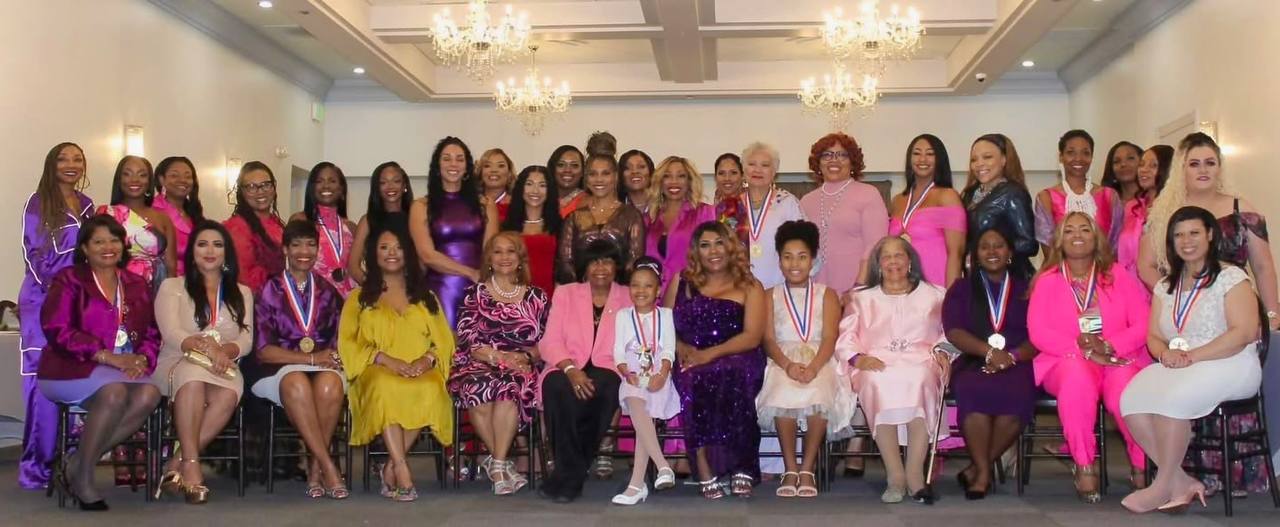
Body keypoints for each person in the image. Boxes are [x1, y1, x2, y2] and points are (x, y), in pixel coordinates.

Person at [1138, 132, 1280, 495]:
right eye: (1194, 163)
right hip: (1185, 324)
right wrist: (1174, 299)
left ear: (1220, 166)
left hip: (1235, 319)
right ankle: (1184, 474)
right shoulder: (1163, 213)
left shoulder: (1240, 208)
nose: (1203, 170)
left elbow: (1262, 267)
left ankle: (1238, 474)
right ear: (1181, 169)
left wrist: (1273, 311)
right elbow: (1146, 266)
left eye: (1210, 162)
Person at [1119, 206, 1262, 513]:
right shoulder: (1165, 285)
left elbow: (1244, 332)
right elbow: (1153, 336)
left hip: (1230, 361)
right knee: (1131, 398)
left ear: (1210, 235)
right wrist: (1164, 353)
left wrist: (1192, 356)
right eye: (1179, 235)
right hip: (1181, 363)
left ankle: (1161, 486)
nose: (1186, 241)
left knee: (1172, 400)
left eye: (1194, 232)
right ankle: (1182, 483)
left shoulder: (1231, 277)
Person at [38, 215, 161, 510]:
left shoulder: (135, 283)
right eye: (99, 241)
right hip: (69, 367)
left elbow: (153, 332)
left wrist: (142, 358)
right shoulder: (69, 279)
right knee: (115, 393)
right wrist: (106, 356)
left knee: (150, 394)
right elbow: (57, 329)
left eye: (114, 240)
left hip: (121, 367)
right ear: (85, 248)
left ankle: (78, 462)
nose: (108, 247)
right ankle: (84, 479)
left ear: (123, 244)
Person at [1027, 212, 1150, 502]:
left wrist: (1108, 346)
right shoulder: (1047, 281)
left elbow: (1143, 323)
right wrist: (1082, 349)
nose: (1077, 234)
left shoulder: (1118, 275)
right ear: (1059, 240)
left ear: (1097, 238)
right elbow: (1038, 332)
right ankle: (1084, 464)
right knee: (1076, 380)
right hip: (1066, 358)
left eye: (1085, 229)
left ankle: (1141, 464)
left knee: (1124, 391)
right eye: (1069, 230)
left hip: (1117, 357)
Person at [338, 226, 455, 502]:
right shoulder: (359, 298)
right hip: (375, 367)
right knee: (386, 386)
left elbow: (444, 340)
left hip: (420, 367)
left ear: (408, 254)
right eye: (384, 247)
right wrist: (385, 359)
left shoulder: (426, 297)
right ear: (373, 254)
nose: (392, 253)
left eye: (398, 247)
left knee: (431, 389)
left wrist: (426, 361)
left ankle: (390, 465)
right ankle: (401, 468)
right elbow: (348, 342)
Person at [836, 236, 949, 505]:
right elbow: (846, 336)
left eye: (899, 255)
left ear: (910, 260)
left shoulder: (935, 294)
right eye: (886, 256)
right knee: (877, 382)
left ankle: (915, 476)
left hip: (921, 359)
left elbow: (947, 332)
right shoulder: (862, 298)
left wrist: (943, 351)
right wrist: (857, 359)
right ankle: (895, 476)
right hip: (876, 360)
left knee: (920, 380)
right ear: (878, 264)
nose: (893, 261)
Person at [242, 219, 348, 499]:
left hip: (321, 366)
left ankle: (314, 469)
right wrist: (312, 358)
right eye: (297, 244)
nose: (304, 250)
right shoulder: (268, 290)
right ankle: (328, 465)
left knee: (330, 386)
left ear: (318, 250)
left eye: (311, 244)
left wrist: (329, 358)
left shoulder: (327, 292)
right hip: (277, 369)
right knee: (297, 382)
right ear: (285, 249)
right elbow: (264, 350)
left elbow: (339, 343)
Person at [152, 221, 255, 504]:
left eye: (217, 245)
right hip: (179, 360)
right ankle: (193, 467)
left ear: (226, 253)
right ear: (192, 251)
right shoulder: (173, 286)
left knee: (229, 391)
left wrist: (225, 352)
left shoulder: (242, 292)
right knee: (193, 379)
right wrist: (206, 349)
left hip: (224, 364)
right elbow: (171, 333)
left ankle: (176, 464)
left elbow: (246, 340)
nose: (210, 251)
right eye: (202, 244)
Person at [665, 221, 767, 499]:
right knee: (694, 378)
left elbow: (752, 336)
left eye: (719, 243)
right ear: (696, 251)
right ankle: (703, 465)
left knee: (732, 375)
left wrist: (708, 354)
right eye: (705, 245)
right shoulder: (681, 281)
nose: (713, 251)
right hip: (689, 356)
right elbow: (662, 325)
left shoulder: (750, 285)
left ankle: (741, 465)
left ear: (730, 246)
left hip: (740, 355)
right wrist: (681, 345)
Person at [756, 221, 854, 498]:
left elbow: (829, 337)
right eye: (787, 257)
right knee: (781, 389)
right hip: (782, 359)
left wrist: (813, 367)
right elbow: (769, 339)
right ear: (779, 260)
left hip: (819, 359)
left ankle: (807, 467)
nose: (794, 264)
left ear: (813, 260)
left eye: (801, 257)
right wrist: (787, 364)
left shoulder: (828, 294)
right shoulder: (768, 295)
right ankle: (789, 467)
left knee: (820, 392)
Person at [446, 232, 549, 496]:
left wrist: (526, 357)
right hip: (480, 360)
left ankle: (496, 463)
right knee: (477, 390)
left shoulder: (537, 297)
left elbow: (548, 340)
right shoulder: (475, 293)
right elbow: (468, 339)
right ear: (489, 259)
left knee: (509, 390)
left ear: (520, 258)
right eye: (498, 252)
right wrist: (499, 357)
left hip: (522, 364)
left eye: (511, 251)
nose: (505, 257)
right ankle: (501, 465)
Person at [19, 141, 94, 490]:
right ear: (52, 164)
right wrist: (61, 293)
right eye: (63, 158)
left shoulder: (89, 206)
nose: (71, 164)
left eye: (77, 159)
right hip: (43, 301)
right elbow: (34, 256)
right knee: (41, 385)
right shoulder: (38, 203)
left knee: (77, 376)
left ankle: (74, 461)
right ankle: (38, 467)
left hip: (80, 303)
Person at [942, 226, 1037, 500]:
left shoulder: (1027, 289)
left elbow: (1039, 334)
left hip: (1018, 362)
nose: (992, 251)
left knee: (1018, 395)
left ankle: (977, 470)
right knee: (972, 391)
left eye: (999, 246)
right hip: (975, 360)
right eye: (985, 246)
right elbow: (954, 330)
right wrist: (989, 353)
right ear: (975, 254)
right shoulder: (961, 288)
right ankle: (984, 471)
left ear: (1009, 254)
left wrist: (1012, 357)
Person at [537, 240, 631, 503]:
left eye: (607, 261)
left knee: (605, 387)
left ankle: (567, 477)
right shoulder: (566, 293)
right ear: (584, 267)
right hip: (567, 363)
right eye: (593, 261)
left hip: (610, 365)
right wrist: (570, 368)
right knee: (556, 387)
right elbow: (550, 340)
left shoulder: (627, 295)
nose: (600, 267)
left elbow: (633, 341)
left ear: (617, 266)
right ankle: (573, 473)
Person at [610, 256, 680, 505]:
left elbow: (669, 350)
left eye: (648, 285)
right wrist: (624, 370)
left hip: (658, 377)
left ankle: (636, 485)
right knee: (634, 398)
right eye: (635, 285)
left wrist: (661, 375)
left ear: (658, 290)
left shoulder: (667, 316)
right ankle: (662, 466)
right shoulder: (623, 315)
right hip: (631, 374)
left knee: (643, 424)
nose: (641, 291)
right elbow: (618, 350)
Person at [409, 137, 499, 326]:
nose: (453, 164)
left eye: (459, 159)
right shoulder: (421, 206)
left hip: (480, 286)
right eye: (447, 158)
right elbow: (427, 255)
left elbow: (491, 250)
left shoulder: (486, 205)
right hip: (440, 288)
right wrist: (469, 272)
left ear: (467, 166)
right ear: (437, 165)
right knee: (444, 347)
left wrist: (481, 277)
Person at [798, 132, 889, 294]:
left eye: (842, 155)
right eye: (827, 155)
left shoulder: (869, 194)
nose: (834, 160)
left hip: (857, 286)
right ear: (818, 163)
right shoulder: (806, 200)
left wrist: (859, 286)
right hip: (814, 288)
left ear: (852, 162)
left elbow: (875, 245)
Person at [889, 134, 966, 288]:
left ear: (939, 160)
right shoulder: (897, 200)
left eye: (930, 154)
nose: (922, 159)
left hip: (935, 286)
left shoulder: (947, 196)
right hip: (901, 287)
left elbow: (955, 255)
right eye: (916, 153)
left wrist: (951, 299)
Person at [556, 154, 646, 284]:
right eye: (593, 174)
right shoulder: (574, 218)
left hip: (621, 296)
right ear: (586, 179)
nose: (599, 179)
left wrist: (616, 293)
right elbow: (566, 263)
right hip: (579, 295)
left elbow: (635, 261)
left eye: (605, 173)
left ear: (615, 177)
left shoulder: (631, 216)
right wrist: (583, 292)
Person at [961, 133, 1038, 279]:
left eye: (987, 157)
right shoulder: (968, 194)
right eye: (974, 159)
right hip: (976, 278)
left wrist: (991, 252)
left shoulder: (1012, 193)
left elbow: (1029, 243)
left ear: (1004, 160)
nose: (979, 164)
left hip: (1008, 279)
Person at [1034, 130, 1124, 253]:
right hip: (1060, 270)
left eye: (1085, 153)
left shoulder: (1109, 196)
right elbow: (1049, 251)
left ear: (1092, 157)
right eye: (1071, 153)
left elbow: (1114, 246)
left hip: (1103, 269)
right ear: (1061, 157)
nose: (1078, 158)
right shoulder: (1046, 197)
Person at [97, 155, 177, 291]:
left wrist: (172, 300)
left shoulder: (163, 219)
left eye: (142, 175)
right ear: (119, 180)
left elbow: (171, 266)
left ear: (149, 182)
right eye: (127, 174)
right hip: (118, 288)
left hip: (157, 290)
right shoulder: (106, 213)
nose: (135, 180)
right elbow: (97, 258)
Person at [739, 142, 806, 290]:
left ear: (774, 171)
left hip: (780, 288)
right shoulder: (732, 206)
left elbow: (805, 247)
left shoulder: (788, 203)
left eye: (765, 165)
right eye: (752, 164)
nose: (757, 170)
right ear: (743, 169)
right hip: (739, 291)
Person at [646, 156, 716, 290]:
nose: (674, 182)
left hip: (692, 295)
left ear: (689, 181)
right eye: (667, 176)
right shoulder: (649, 218)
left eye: (681, 176)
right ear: (660, 182)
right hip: (654, 299)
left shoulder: (706, 212)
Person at [290, 162, 357, 296]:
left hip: (347, 299)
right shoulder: (300, 220)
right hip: (312, 297)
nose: (326, 185)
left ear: (342, 189)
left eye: (332, 181)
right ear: (312, 188)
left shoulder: (351, 227)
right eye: (319, 181)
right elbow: (290, 262)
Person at [1116, 145, 1173, 292]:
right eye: (1141, 164)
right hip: (1128, 289)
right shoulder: (1131, 207)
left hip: (1161, 289)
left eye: (1153, 165)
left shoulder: (1174, 208)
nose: (1144, 169)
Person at [349, 161, 414, 284]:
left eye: (396, 181)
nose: (390, 186)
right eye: (383, 182)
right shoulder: (367, 221)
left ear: (404, 185)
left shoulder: (416, 219)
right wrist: (371, 286)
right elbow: (353, 266)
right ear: (376, 188)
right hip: (377, 294)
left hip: (411, 292)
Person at [500, 165, 561, 296]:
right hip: (513, 298)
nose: (535, 190)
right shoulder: (506, 227)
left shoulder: (559, 226)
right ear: (521, 188)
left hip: (550, 298)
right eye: (529, 184)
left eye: (542, 185)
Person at [224, 161, 285, 291]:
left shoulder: (276, 223)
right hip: (258, 303)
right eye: (251, 187)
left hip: (281, 299)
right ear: (241, 192)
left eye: (266, 185)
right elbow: (242, 279)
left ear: (273, 188)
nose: (260, 191)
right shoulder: (236, 227)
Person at [152, 156, 205, 275]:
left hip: (195, 282)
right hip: (163, 282)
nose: (182, 180)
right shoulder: (153, 210)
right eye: (174, 175)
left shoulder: (194, 212)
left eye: (188, 176)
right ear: (161, 180)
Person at [712, 153, 748, 245]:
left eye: (733, 173)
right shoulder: (710, 211)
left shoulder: (752, 207)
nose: (727, 178)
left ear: (743, 176)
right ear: (715, 177)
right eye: (721, 173)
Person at [477, 148, 515, 222]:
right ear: (480, 172)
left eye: (500, 166)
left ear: (509, 173)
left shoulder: (516, 205)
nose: (494, 170)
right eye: (487, 166)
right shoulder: (471, 203)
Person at [549, 145, 587, 217]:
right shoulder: (542, 199)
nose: (567, 170)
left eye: (574, 165)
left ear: (583, 171)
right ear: (553, 169)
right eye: (561, 165)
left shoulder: (588, 202)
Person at [620, 150, 656, 215]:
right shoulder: (615, 209)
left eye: (641, 167)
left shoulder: (663, 206)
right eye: (628, 168)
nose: (635, 171)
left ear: (651, 172)